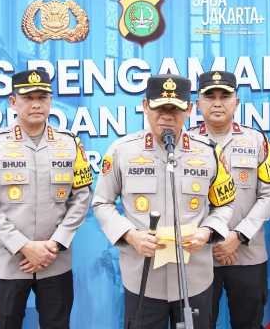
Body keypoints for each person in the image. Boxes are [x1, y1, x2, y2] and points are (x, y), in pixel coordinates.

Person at [92, 74, 236, 329]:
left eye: (175, 109)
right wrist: (130, 236)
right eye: (160, 108)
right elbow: (102, 203)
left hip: (194, 279)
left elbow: (224, 204)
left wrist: (207, 231)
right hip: (143, 278)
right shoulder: (122, 151)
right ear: (145, 106)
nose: (167, 116)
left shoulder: (209, 152)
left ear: (189, 109)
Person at [0, 69, 92, 329]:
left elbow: (82, 197)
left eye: (42, 97)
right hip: (8, 263)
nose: (36, 104)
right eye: (28, 97)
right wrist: (23, 245)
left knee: (57, 324)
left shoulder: (70, 144)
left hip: (55, 262)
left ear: (50, 101)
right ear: (13, 102)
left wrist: (55, 244)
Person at [190, 71, 270, 329]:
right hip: (199, 256)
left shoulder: (258, 141)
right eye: (210, 97)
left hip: (247, 255)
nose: (217, 103)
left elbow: (269, 195)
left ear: (237, 102)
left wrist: (237, 237)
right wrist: (213, 239)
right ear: (198, 103)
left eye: (225, 96)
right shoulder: (185, 144)